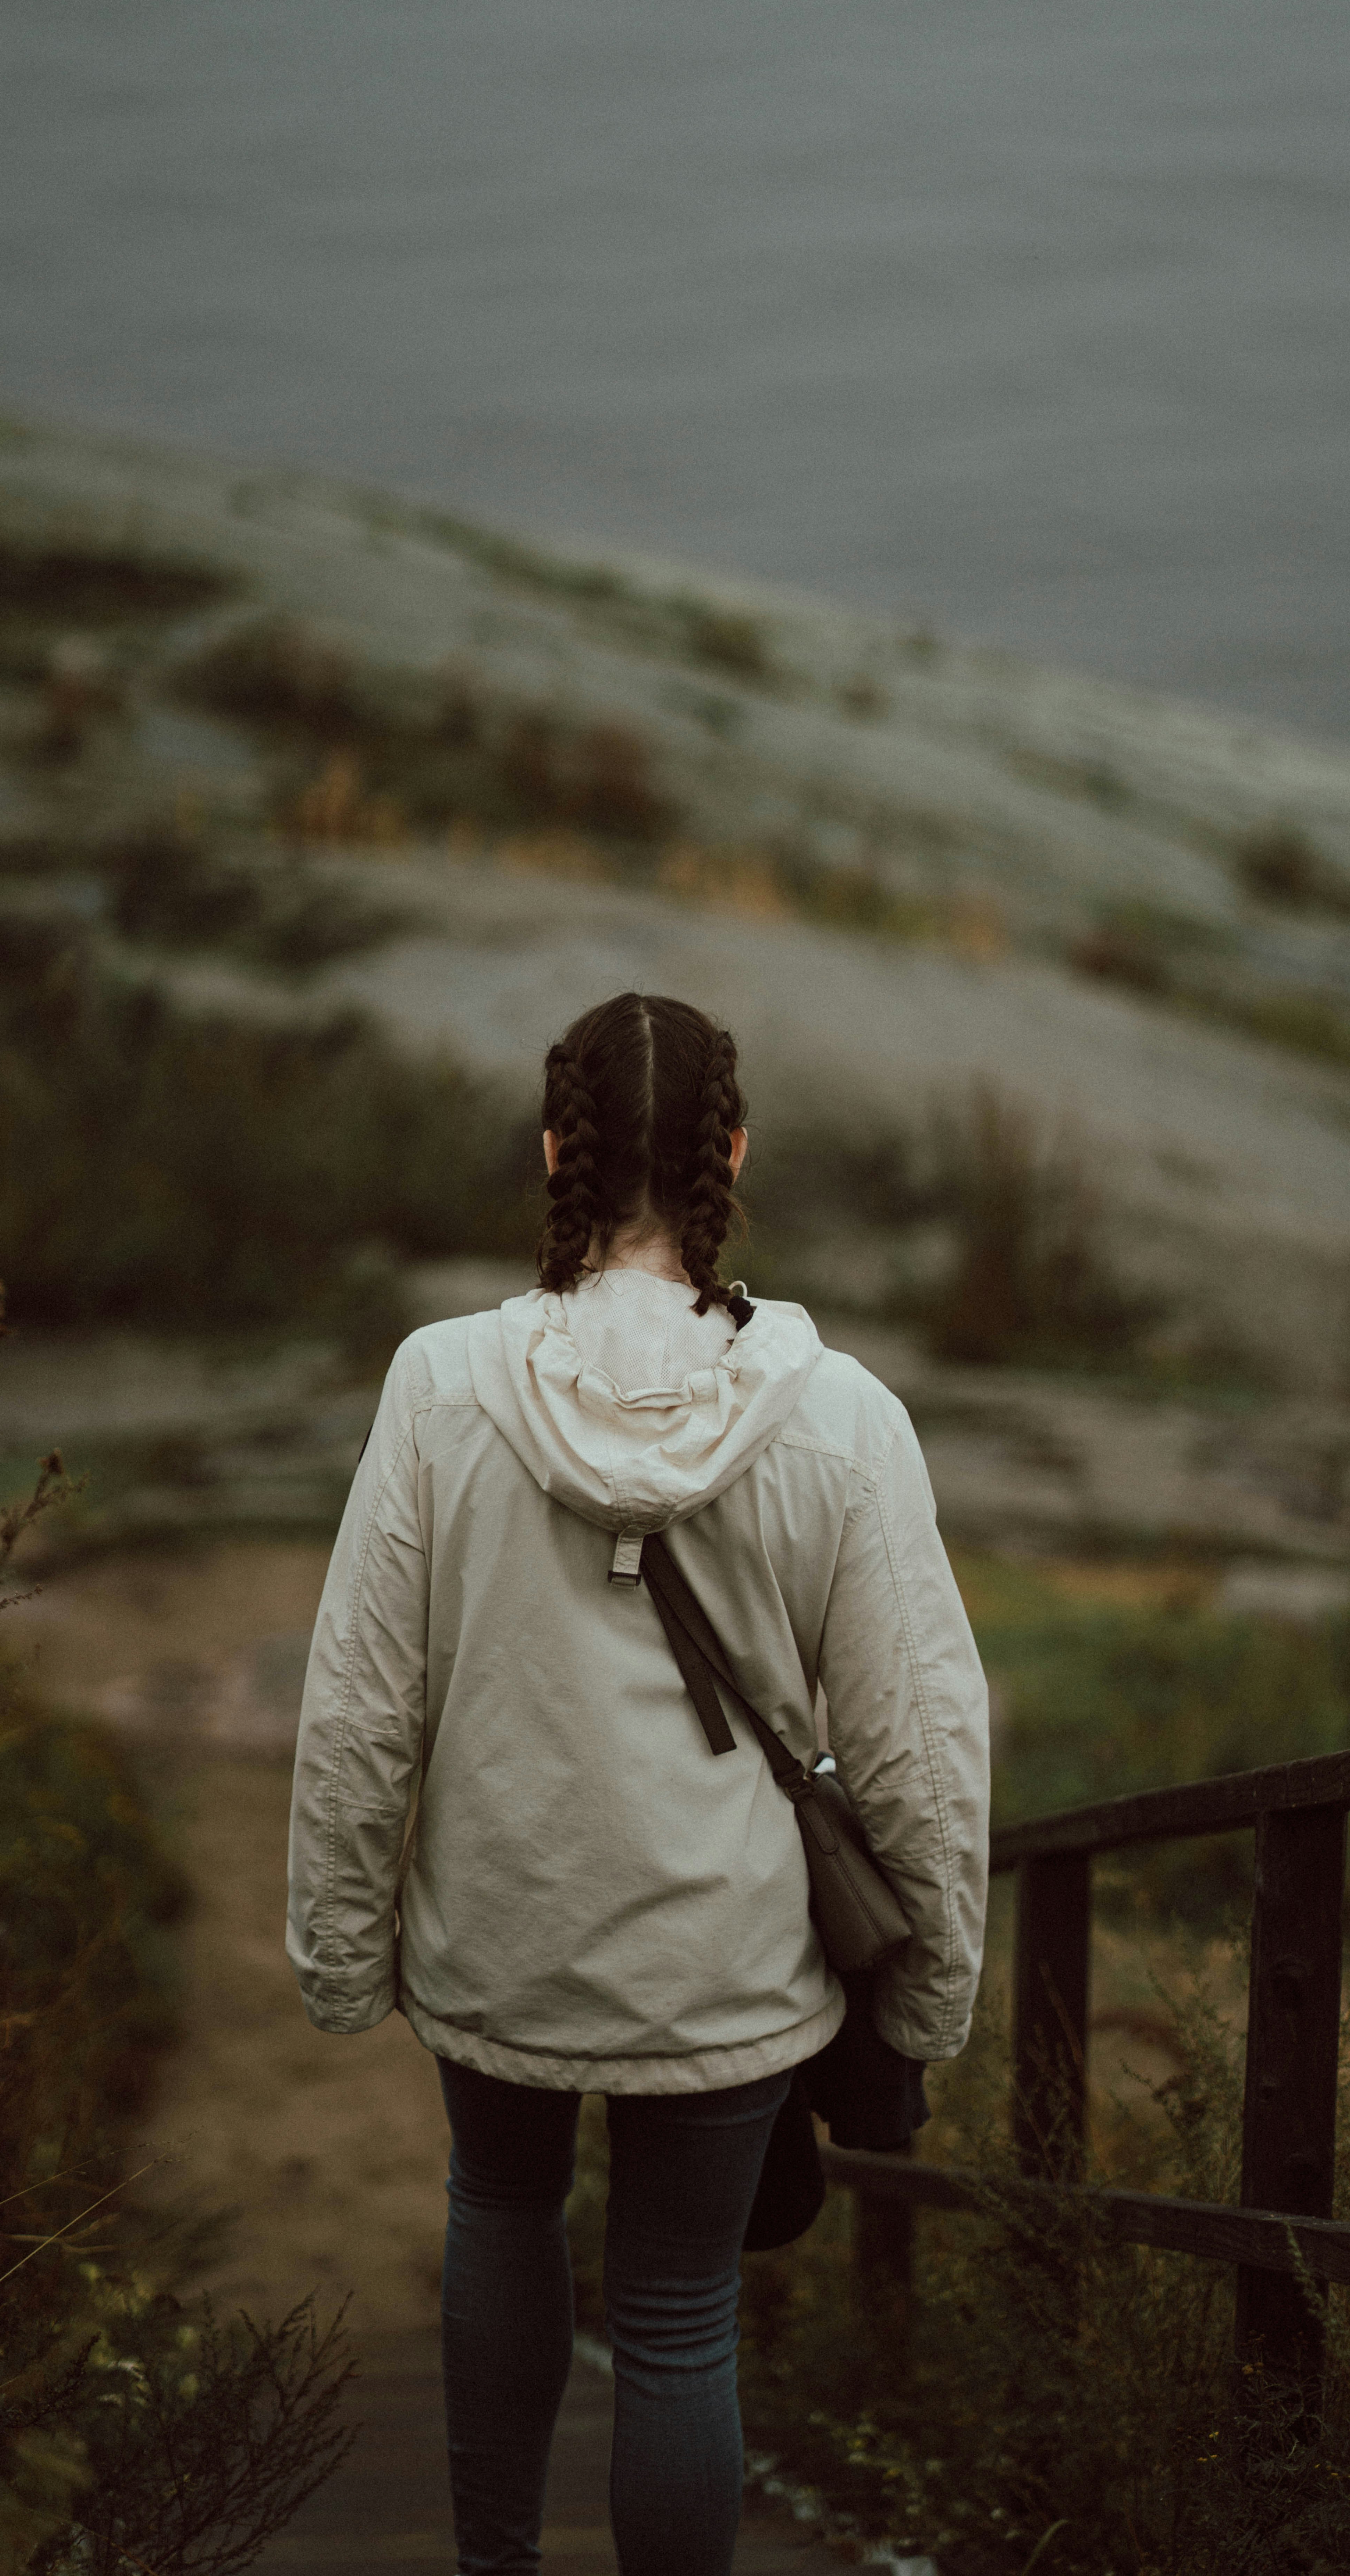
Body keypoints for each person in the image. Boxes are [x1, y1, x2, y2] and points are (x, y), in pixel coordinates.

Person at [287, 991, 990, 2576]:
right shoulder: (845, 1420)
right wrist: (927, 1991)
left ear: (556, 1150)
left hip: (503, 1931)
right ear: (734, 1154)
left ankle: (493, 2561)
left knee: (503, 2212)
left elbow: (358, 1705)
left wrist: (341, 1948)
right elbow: (919, 1739)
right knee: (680, 2313)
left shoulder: (438, 1387)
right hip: (725, 1958)